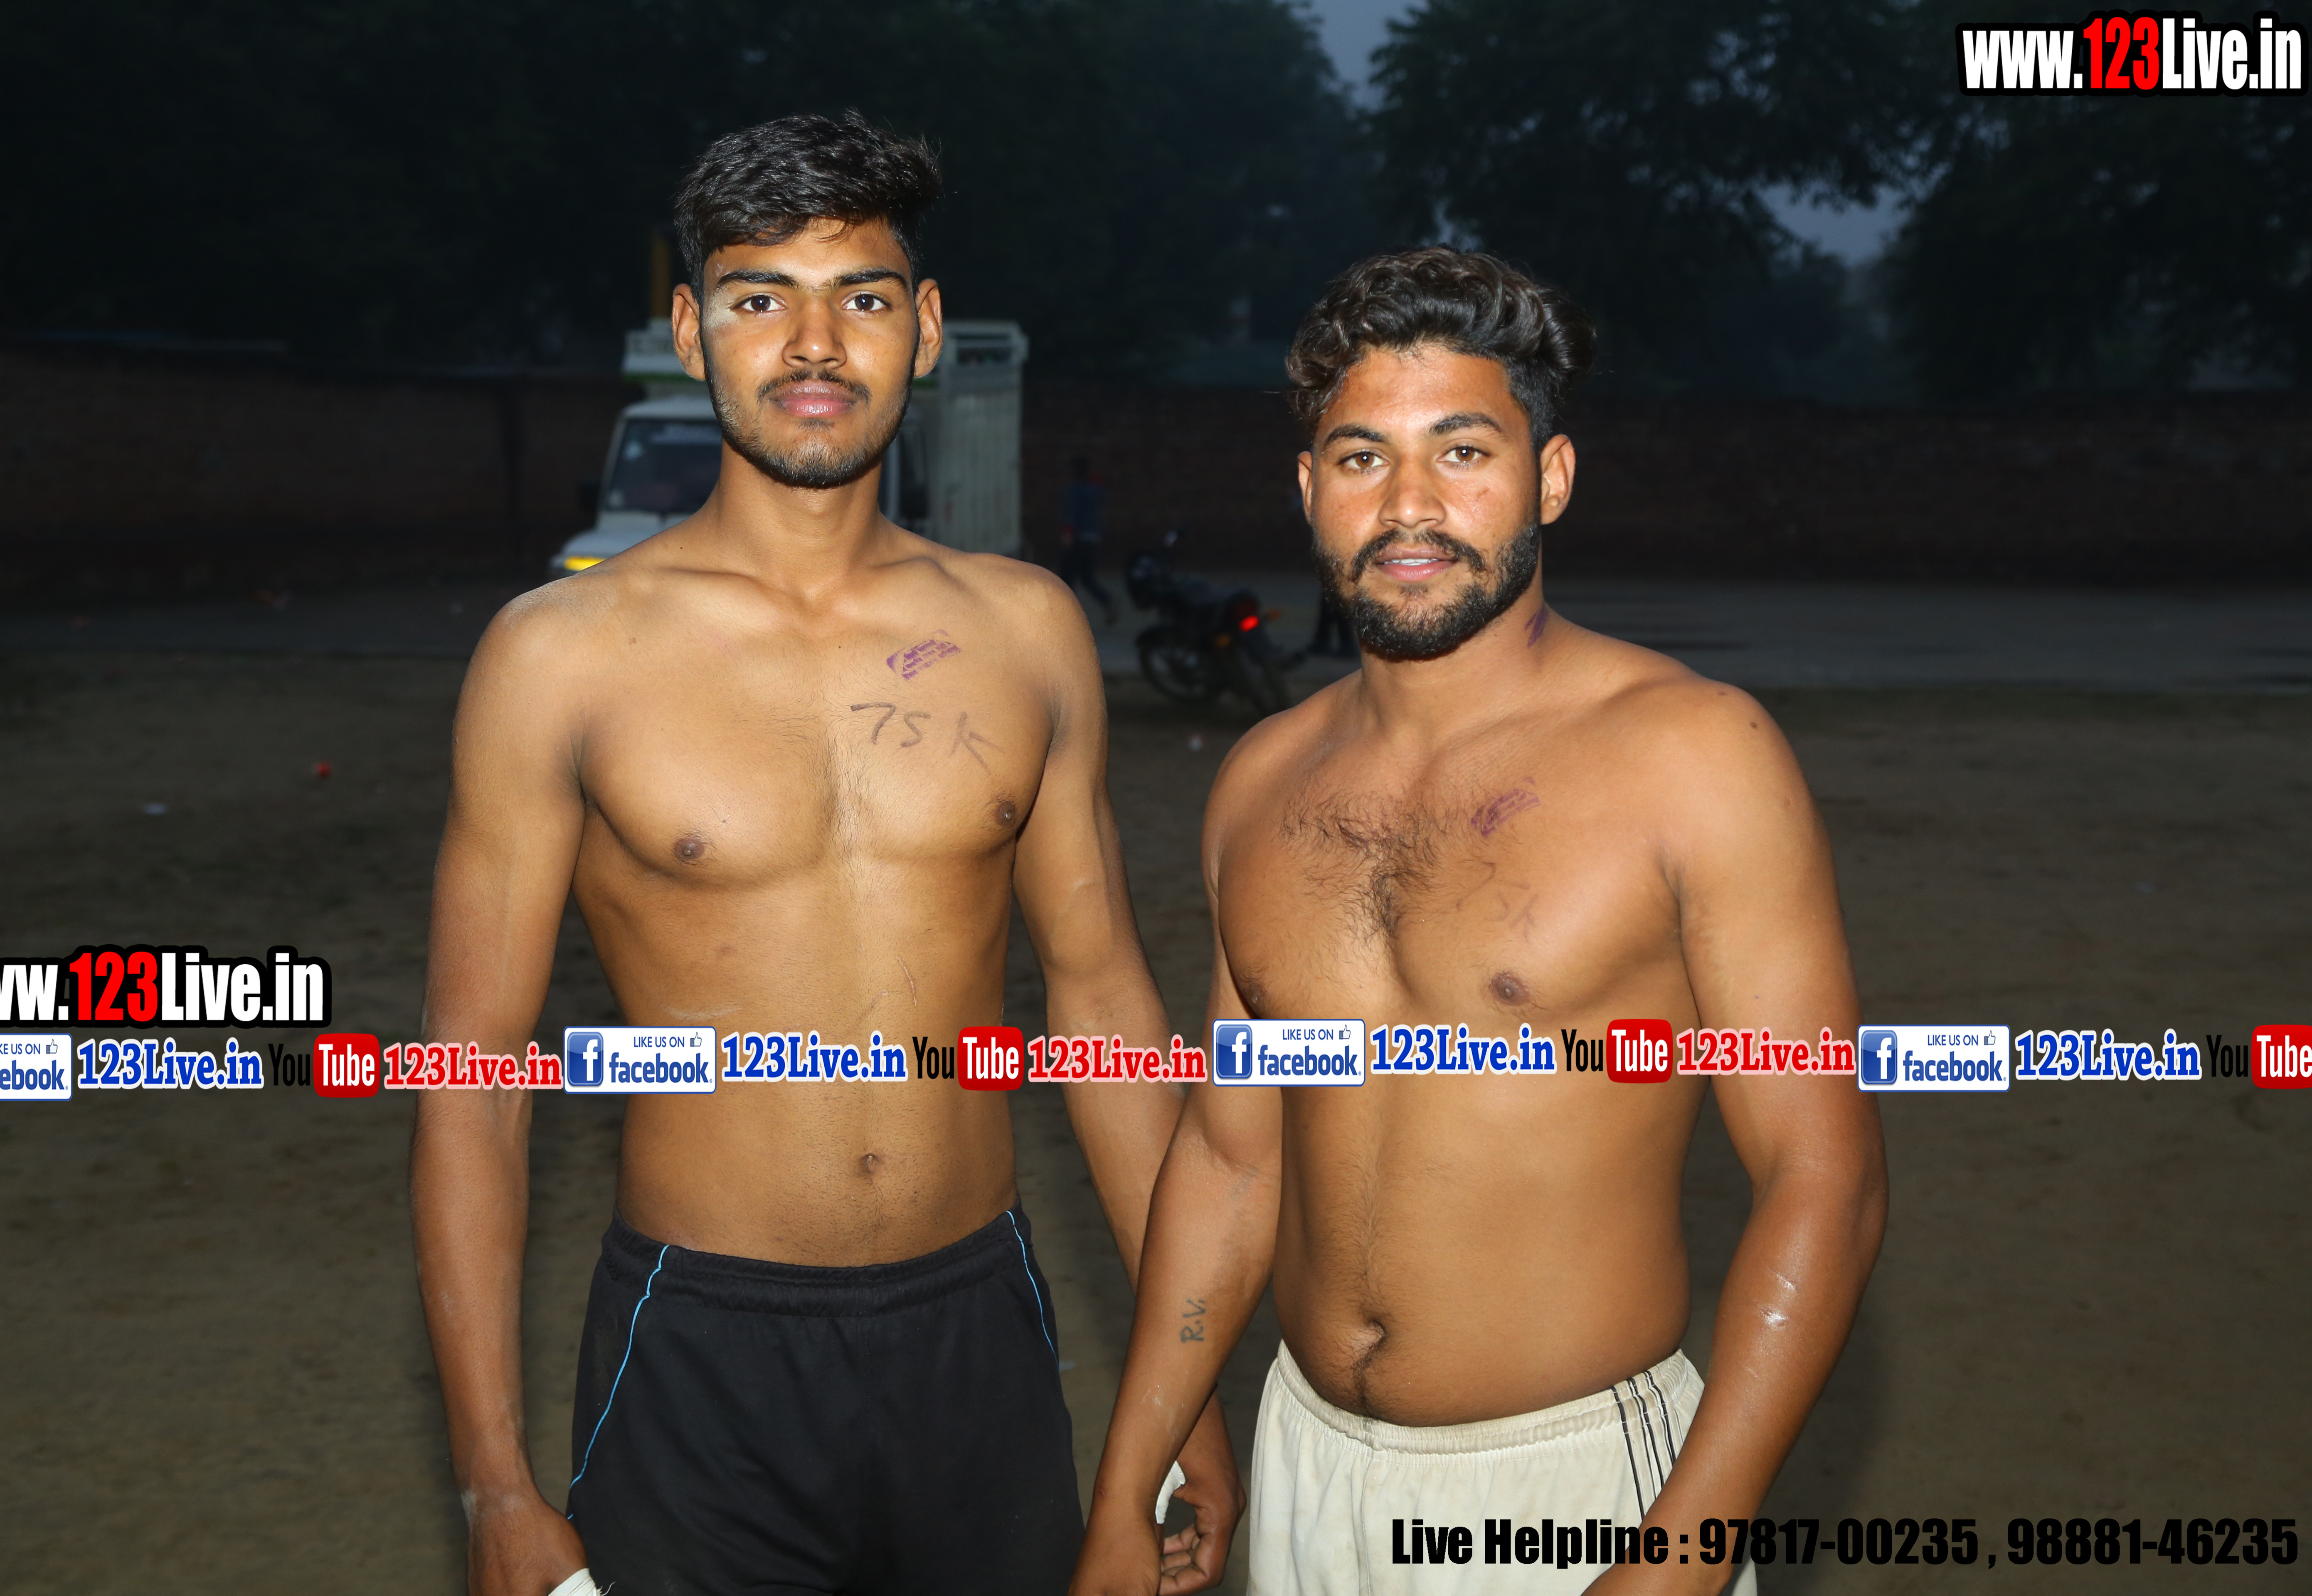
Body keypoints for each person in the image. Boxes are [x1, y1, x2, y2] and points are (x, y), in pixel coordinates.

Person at [412, 113, 1239, 1596]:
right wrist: (491, 1481)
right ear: (690, 331)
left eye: (860, 296)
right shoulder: (558, 655)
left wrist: (1188, 1399)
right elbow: (474, 1080)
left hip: (978, 1328)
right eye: (759, 298)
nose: (812, 344)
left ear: (924, 328)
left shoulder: (1027, 630)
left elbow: (1106, 1011)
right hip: (696, 1347)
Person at [1070, 248, 1887, 1596]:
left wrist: (1683, 1554)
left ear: (1550, 477)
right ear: (1309, 490)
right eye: (1362, 458)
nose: (1409, 505)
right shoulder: (1261, 782)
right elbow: (1231, 1158)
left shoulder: (1695, 756)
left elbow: (1823, 1177)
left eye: (1462, 452)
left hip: (1580, 1490)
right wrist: (1129, 1477)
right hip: (1308, 1466)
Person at [1060, 455, 1119, 626]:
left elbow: (1071, 514)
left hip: (1078, 539)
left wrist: (1067, 534)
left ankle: (1067, 615)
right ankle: (1107, 601)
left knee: (1067, 578)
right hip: (1093, 538)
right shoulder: (1095, 490)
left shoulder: (1074, 491)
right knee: (1087, 578)